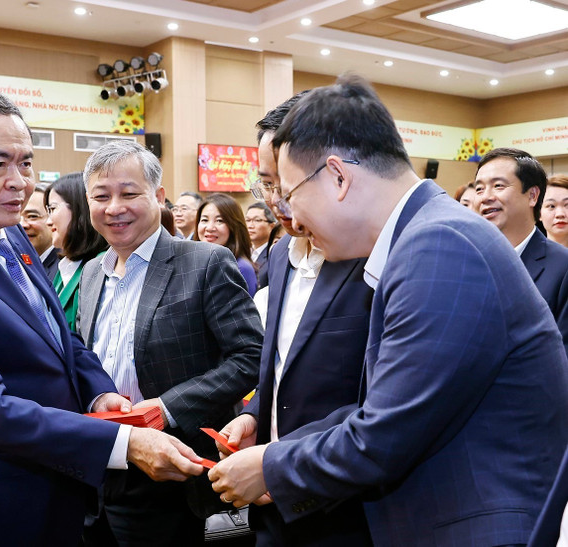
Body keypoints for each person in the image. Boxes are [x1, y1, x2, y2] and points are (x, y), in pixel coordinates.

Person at [209, 74, 568, 544]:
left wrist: (271, 466)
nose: (293, 219)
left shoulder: (439, 244)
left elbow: (386, 434)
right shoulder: (426, 235)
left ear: (338, 176)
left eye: (293, 195)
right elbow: (385, 404)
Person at [0, 88, 203, 547]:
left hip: (58, 484)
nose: (20, 182)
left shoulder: (5, 232)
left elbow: (57, 336)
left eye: (25, 163)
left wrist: (98, 392)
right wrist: (122, 445)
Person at [77, 140, 262, 546]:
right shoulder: (92, 272)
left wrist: (167, 407)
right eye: (101, 196)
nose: (114, 208)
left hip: (175, 471)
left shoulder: (204, 262)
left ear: (158, 197)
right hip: (103, 461)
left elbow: (250, 356)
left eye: (129, 193)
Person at [223, 94, 374, 545]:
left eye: (285, 185)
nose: (276, 201)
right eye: (266, 184)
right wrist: (254, 414)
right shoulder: (281, 253)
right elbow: (278, 358)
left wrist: (280, 461)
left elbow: (378, 400)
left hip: (346, 503)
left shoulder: (371, 257)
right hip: (273, 503)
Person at [474, 148, 568, 355]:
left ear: (533, 196)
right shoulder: (468, 262)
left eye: (498, 186)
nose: (485, 197)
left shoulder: (563, 268)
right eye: (479, 189)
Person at [44, 172, 108, 331]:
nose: (48, 221)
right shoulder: (64, 268)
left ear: (80, 209)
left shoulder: (103, 267)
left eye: (53, 209)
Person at [194, 193, 257, 296]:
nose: (210, 228)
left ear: (234, 226)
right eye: (204, 220)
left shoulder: (240, 268)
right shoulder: (193, 264)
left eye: (220, 221)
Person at [21, 183, 58, 280]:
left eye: (32, 216)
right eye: (17, 216)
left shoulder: (65, 267)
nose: (22, 224)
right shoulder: (15, 262)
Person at [245, 202, 277, 290]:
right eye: (247, 220)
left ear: (272, 226)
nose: (250, 226)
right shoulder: (242, 252)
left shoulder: (274, 254)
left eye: (257, 220)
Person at [542, 174, 568, 247]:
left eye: (567, 205)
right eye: (551, 206)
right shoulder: (522, 256)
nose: (560, 214)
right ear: (539, 213)